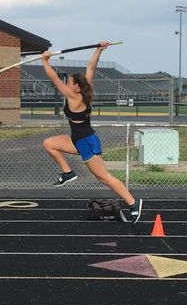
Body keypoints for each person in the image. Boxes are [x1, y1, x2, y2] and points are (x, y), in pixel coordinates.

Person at [41, 42, 143, 224]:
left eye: (69, 82)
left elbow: (54, 79)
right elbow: (91, 66)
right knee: (49, 143)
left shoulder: (74, 97)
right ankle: (68, 173)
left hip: (86, 142)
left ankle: (133, 203)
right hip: (76, 139)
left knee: (104, 177)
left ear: (76, 88)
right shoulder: (84, 89)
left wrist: (45, 61)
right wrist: (99, 49)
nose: (67, 82)